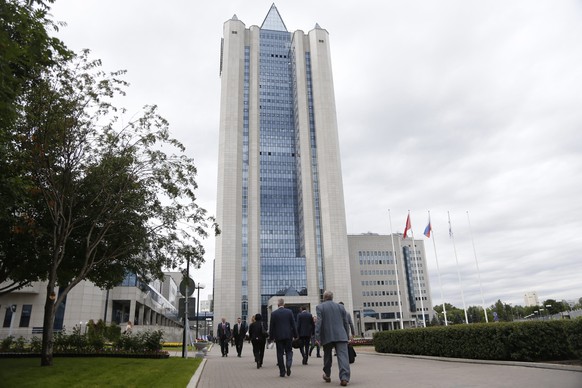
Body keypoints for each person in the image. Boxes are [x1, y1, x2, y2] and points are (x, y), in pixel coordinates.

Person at [316, 290, 352, 387]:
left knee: (327, 357)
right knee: (343, 357)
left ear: (324, 298)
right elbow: (345, 322)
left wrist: (317, 336)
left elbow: (319, 322)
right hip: (341, 335)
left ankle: (327, 375)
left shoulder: (320, 307)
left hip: (327, 335)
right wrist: (347, 335)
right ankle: (344, 378)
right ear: (332, 297)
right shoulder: (341, 307)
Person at [269, 298, 298, 378]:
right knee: (289, 351)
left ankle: (282, 371)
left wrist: (271, 338)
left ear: (278, 305)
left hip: (278, 337)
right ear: (283, 304)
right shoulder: (289, 312)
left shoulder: (274, 314)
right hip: (288, 336)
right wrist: (296, 335)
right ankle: (288, 364)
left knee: (279, 353)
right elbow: (293, 324)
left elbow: (271, 327)